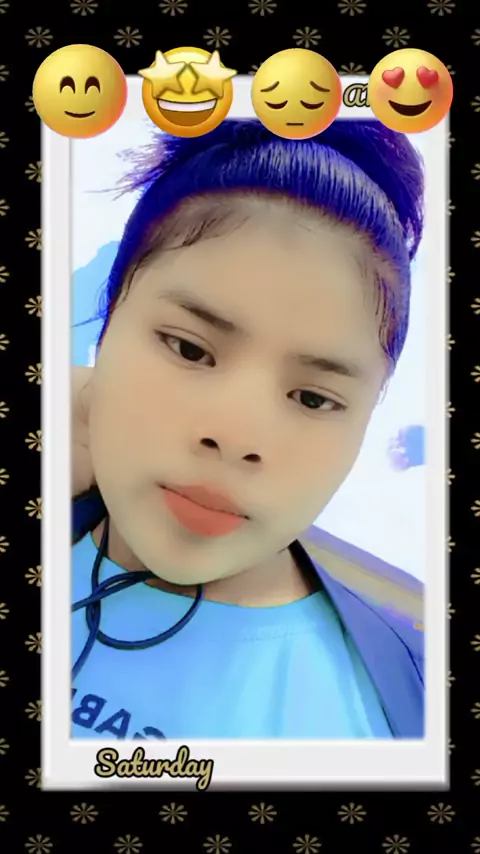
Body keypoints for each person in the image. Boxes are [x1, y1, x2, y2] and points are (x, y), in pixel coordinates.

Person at [71, 118, 425, 741]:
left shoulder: (389, 721)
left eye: (313, 398)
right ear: (107, 325)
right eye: (189, 349)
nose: (236, 436)